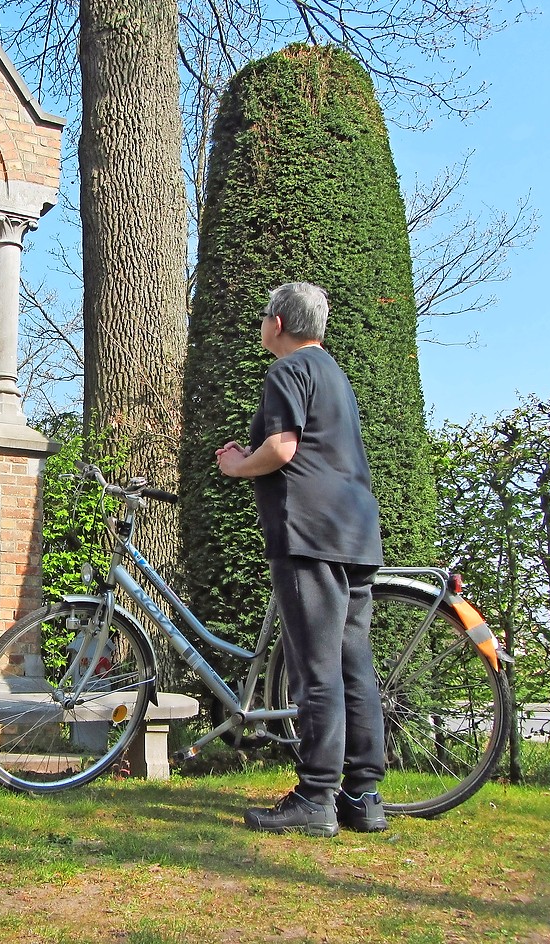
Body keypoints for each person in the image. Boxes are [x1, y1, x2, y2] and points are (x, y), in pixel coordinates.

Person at [215, 281, 388, 838]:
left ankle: (315, 796)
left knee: (316, 668)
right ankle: (362, 797)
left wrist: (237, 466)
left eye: (266, 316)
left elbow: (283, 449)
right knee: (350, 664)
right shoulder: (335, 375)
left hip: (308, 531)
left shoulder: (287, 371)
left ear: (280, 324)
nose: (263, 325)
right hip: (356, 532)